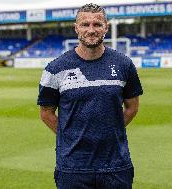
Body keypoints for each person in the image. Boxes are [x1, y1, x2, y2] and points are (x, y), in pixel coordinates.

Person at [37, 3, 143, 189]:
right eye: (85, 24)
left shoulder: (124, 64)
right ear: (76, 27)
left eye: (97, 24)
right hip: (72, 168)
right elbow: (46, 113)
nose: (91, 30)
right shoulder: (55, 69)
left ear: (106, 27)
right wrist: (71, 136)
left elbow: (132, 107)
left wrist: (109, 131)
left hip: (116, 165)